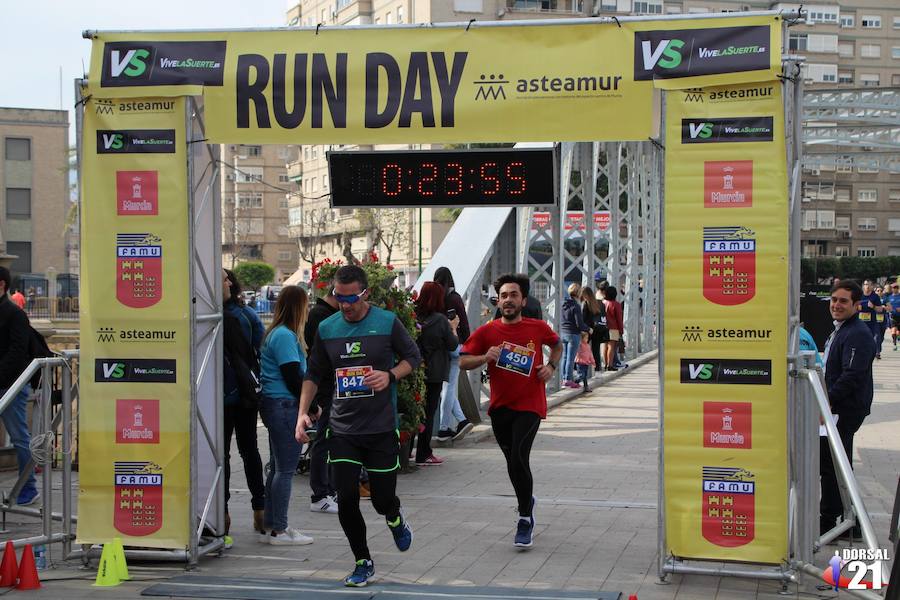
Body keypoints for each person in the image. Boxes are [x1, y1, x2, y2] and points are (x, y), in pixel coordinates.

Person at [296, 265, 421, 587]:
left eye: (351, 298)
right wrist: (302, 414)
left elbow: (413, 357)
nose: (345, 304)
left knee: (381, 499)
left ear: (365, 293)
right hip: (342, 428)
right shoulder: (327, 327)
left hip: (380, 428)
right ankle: (363, 560)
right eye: (339, 297)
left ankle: (394, 517)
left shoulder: (386, 322)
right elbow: (313, 374)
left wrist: (390, 375)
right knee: (347, 498)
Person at [459, 273, 562, 549]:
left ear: (523, 300)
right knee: (513, 463)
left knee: (518, 457)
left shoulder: (537, 327)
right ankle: (527, 499)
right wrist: (484, 357)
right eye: (503, 296)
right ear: (498, 300)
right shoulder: (488, 331)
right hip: (500, 408)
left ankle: (525, 518)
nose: (507, 300)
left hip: (530, 405)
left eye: (513, 295)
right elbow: (463, 361)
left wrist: (550, 367)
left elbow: (557, 344)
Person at [258, 285, 315, 545]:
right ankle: (279, 530)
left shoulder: (277, 334)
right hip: (284, 405)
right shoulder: (285, 336)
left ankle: (272, 524)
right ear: (299, 307)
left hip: (275, 404)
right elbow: (293, 376)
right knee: (286, 470)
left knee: (278, 468)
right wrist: (310, 408)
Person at [820, 279, 876, 537]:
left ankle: (834, 520)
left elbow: (852, 375)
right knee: (836, 464)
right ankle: (846, 520)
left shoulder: (857, 333)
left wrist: (827, 400)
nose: (836, 305)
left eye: (843, 301)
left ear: (856, 304)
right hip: (839, 406)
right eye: (834, 300)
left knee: (833, 464)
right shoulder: (843, 329)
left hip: (845, 408)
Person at [222, 269, 267, 540]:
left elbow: (259, 351)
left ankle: (260, 507)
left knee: (248, 451)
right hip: (218, 396)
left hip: (244, 395)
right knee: (222, 456)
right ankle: (222, 509)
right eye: (222, 278)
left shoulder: (245, 315)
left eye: (228, 278)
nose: (227, 281)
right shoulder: (205, 314)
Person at [0, 267, 39, 506]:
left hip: (11, 385)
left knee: (19, 437)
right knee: (19, 436)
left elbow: (17, 352)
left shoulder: (14, 314)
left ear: (2, 284)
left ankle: (29, 486)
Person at [303, 287, 340, 513]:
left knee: (331, 440)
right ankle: (320, 493)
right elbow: (318, 360)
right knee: (323, 441)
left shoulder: (325, 314)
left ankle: (328, 489)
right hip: (325, 388)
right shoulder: (321, 316)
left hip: (331, 387)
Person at [414, 282, 459, 466]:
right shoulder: (440, 320)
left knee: (414, 411)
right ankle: (424, 453)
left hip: (416, 370)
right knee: (429, 412)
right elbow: (453, 344)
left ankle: (409, 450)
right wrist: (454, 327)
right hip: (435, 372)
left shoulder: (414, 317)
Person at [433, 267, 474, 443]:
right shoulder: (454, 298)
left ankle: (462, 420)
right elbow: (463, 324)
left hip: (441, 346)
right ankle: (443, 428)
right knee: (448, 388)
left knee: (446, 388)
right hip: (457, 345)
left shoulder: (436, 299)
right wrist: (469, 345)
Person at [560, 283, 589, 388]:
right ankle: (568, 379)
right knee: (571, 359)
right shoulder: (576, 306)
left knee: (565, 357)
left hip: (563, 333)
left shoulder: (563, 303)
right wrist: (588, 329)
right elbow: (579, 324)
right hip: (573, 334)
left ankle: (563, 378)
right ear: (578, 293)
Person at [580, 286, 607, 372]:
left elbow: (583, 318)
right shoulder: (597, 303)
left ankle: (583, 371)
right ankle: (597, 370)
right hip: (597, 329)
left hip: (587, 330)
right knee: (596, 351)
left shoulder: (585, 304)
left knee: (583, 350)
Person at [858, 279, 885, 359]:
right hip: (860, 322)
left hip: (872, 322)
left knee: (876, 337)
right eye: (866, 284)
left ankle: (877, 352)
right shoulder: (859, 295)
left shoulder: (875, 296)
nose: (867, 286)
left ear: (872, 286)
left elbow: (880, 309)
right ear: (863, 286)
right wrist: (857, 307)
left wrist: (873, 306)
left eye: (869, 285)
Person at [602, 286, 624, 372]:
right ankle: (610, 365)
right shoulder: (616, 304)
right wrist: (621, 330)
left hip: (604, 327)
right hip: (613, 328)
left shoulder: (603, 303)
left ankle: (605, 364)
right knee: (611, 346)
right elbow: (619, 318)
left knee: (604, 346)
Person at [886, 282, 900, 351]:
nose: (895, 289)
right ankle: (894, 344)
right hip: (892, 316)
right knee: (893, 331)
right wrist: (888, 309)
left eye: (896, 287)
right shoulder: (889, 297)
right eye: (893, 287)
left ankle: (898, 339)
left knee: (898, 332)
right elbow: (887, 306)